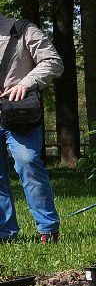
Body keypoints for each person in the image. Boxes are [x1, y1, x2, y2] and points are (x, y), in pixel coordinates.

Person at [0, 15, 63, 243]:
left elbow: (53, 61)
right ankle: (4, 233)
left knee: (28, 162)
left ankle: (48, 229)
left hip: (20, 113)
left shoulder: (23, 30)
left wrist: (25, 84)